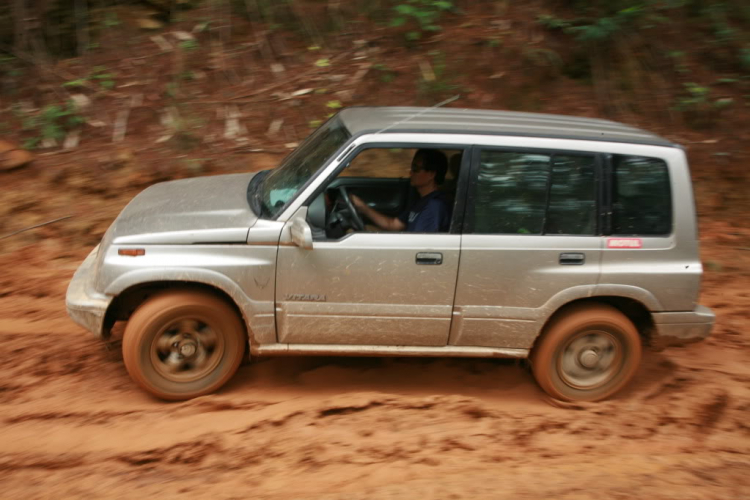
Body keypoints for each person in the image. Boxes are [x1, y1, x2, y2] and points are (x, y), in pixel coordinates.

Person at [351, 149, 451, 233]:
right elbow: (393, 225)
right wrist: (363, 207)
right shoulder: (421, 201)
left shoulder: (434, 207)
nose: (410, 172)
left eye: (415, 168)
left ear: (431, 174)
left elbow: (417, 246)